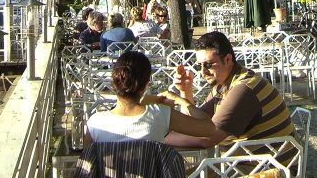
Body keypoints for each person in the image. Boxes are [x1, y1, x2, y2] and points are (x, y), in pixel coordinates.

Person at [164, 30, 294, 151]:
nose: (203, 71)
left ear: (227, 59)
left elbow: (206, 139)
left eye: (208, 64)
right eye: (199, 66)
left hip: (267, 170)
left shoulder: (244, 88)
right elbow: (196, 126)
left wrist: (158, 137)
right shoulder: (224, 84)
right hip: (241, 163)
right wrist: (185, 91)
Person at [85, 51, 219, 145]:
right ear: (146, 84)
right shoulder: (159, 115)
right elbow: (210, 129)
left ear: (115, 82)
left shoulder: (95, 123)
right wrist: (181, 100)